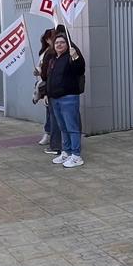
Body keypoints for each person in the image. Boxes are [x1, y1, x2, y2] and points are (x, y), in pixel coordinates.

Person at [46, 32, 86, 167]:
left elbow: (80, 69)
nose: (59, 45)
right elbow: (49, 79)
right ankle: (67, 152)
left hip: (68, 98)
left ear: (67, 44)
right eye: (57, 42)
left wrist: (75, 57)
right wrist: (47, 94)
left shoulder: (71, 57)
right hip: (55, 99)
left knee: (72, 127)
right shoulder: (53, 59)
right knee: (63, 128)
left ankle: (76, 155)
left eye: (62, 42)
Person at [36, 28, 60, 155]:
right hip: (43, 83)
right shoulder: (45, 51)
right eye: (49, 38)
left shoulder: (53, 52)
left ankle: (50, 136)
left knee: (52, 113)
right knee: (49, 111)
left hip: (49, 86)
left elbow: (48, 72)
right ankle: (48, 134)